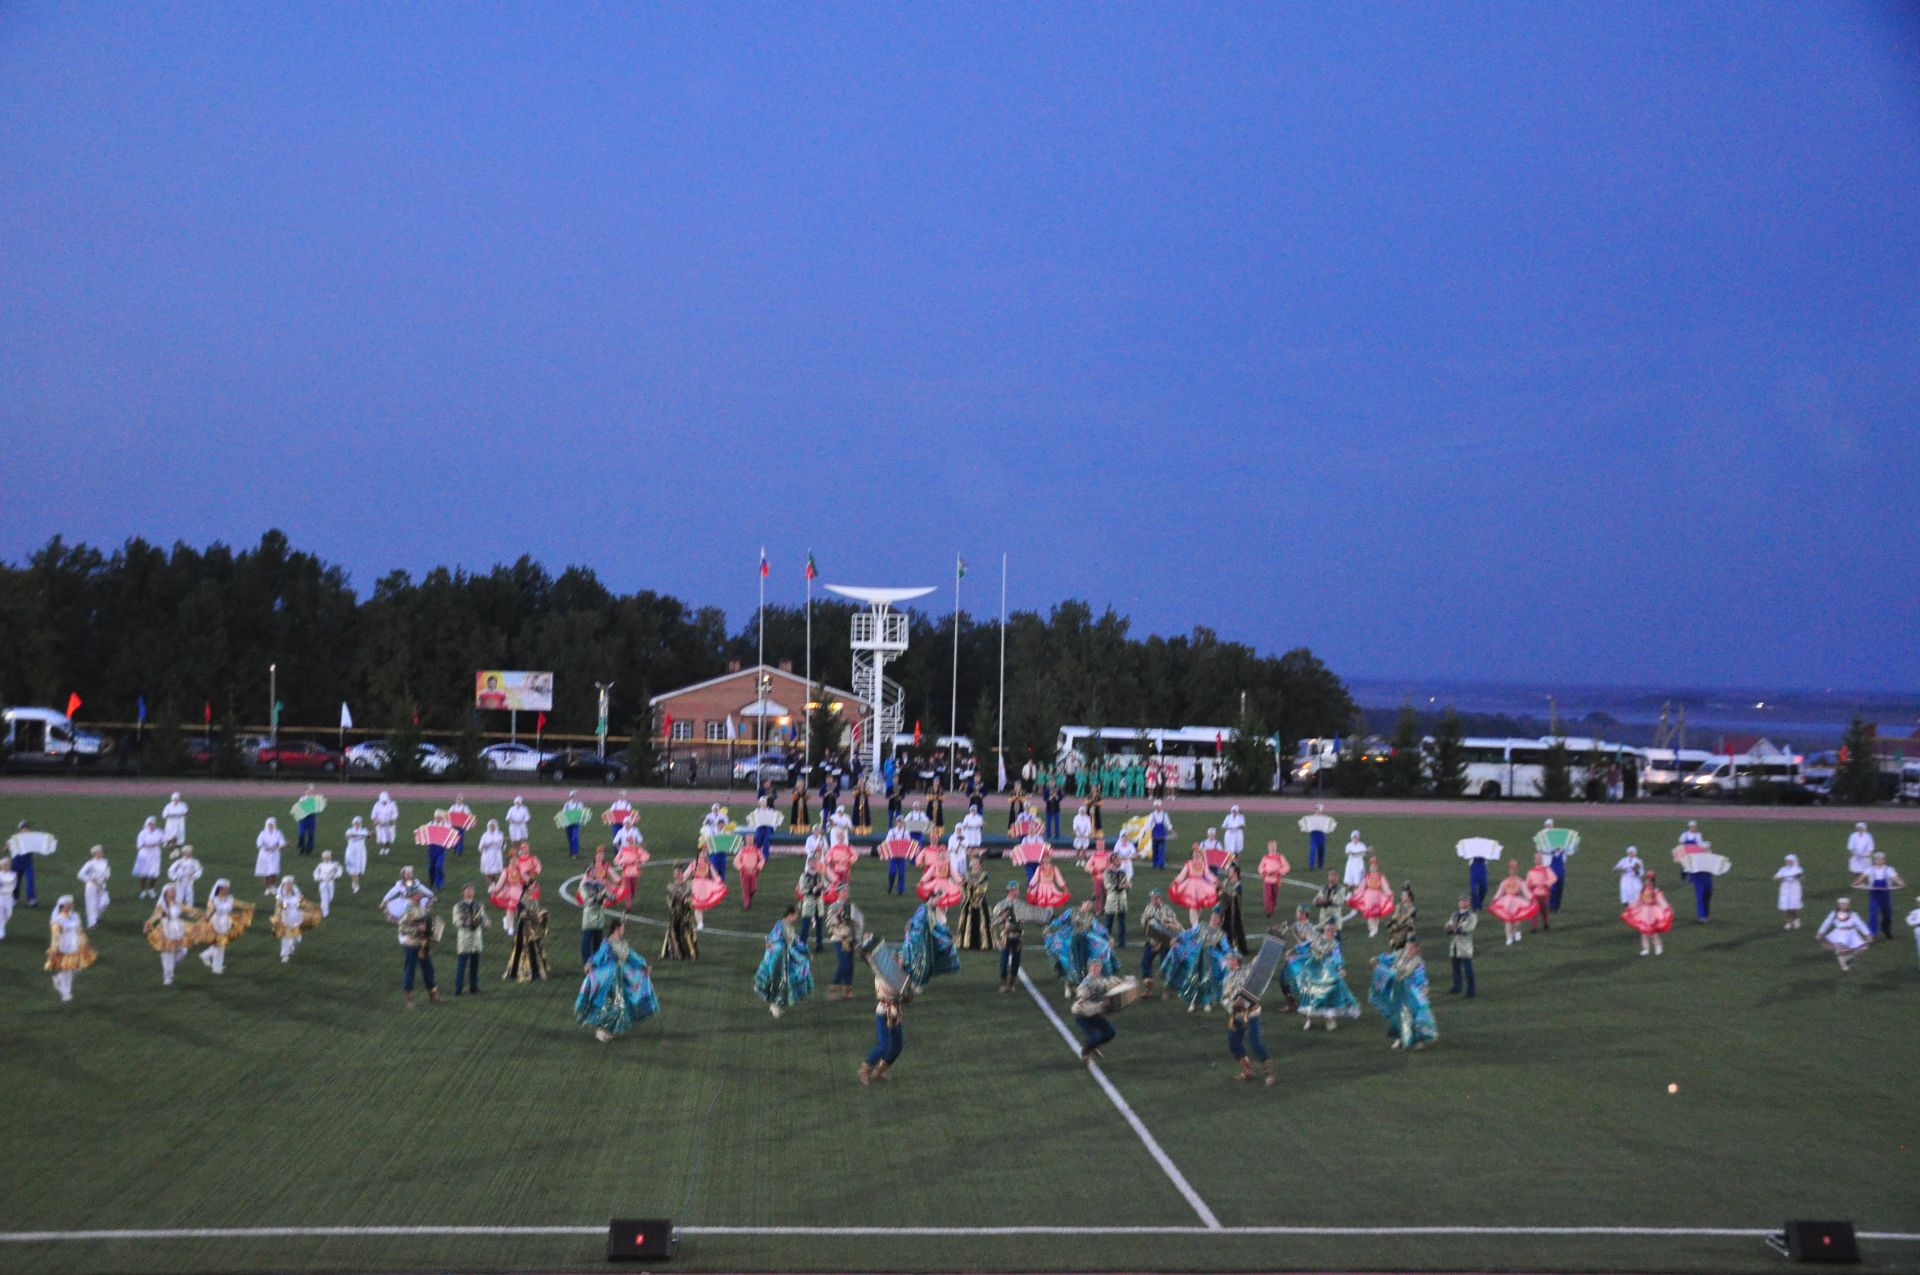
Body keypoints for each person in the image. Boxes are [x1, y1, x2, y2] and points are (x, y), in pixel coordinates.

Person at [576, 917, 658, 1042]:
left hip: (620, 977)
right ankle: (600, 1030)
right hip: (608, 978)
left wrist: (643, 966)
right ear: (617, 928)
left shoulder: (623, 944)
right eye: (622, 927)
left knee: (617, 1004)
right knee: (606, 1003)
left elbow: (631, 956)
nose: (624, 930)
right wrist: (590, 963)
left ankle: (606, 1029)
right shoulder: (607, 943)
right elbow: (599, 955)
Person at [1369, 937, 1437, 1051]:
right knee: (1396, 1014)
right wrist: (1377, 960)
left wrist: (1423, 987)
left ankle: (1417, 1040)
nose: (1410, 949)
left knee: (1413, 1015)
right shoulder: (1399, 954)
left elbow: (1421, 977)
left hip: (1410, 992)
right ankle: (1400, 1038)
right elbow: (1386, 959)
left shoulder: (1418, 963)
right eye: (1409, 946)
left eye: (1413, 947)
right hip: (1396, 990)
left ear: (1417, 949)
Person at [1292, 921, 1360, 1030]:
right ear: (1324, 929)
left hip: (1326, 969)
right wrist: (1294, 952)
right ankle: (1309, 1019)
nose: (1329, 932)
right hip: (1313, 967)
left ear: (1334, 932)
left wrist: (1340, 967)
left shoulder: (1334, 944)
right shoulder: (1317, 939)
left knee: (1329, 990)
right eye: (1327, 929)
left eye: (1331, 930)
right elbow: (1305, 946)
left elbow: (1337, 957)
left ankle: (1330, 1018)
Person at [1162, 909, 1231, 1012]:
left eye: (1217, 917)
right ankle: (1193, 1000)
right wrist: (1178, 938)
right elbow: (1190, 933)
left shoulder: (1220, 934)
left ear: (1220, 920)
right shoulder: (1202, 925)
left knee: (1207, 977)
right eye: (1213, 915)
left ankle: (1207, 1001)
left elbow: (1226, 948)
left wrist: (1230, 956)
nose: (1213, 917)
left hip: (1210, 956)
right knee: (1193, 976)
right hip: (1196, 953)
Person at [1222, 950, 1275, 1085]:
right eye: (1227, 959)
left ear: (1236, 960)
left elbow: (1259, 962)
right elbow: (1224, 997)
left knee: (1255, 1042)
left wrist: (1266, 947)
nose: (1228, 962)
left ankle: (1268, 1072)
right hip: (1236, 1015)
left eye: (1230, 959)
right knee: (1233, 1044)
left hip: (1252, 1013)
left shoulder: (1248, 970)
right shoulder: (1227, 977)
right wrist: (1232, 1006)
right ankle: (1248, 1070)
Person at [754, 906, 815, 1018]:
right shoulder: (781, 925)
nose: (797, 917)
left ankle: (775, 1004)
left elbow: (795, 942)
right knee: (779, 982)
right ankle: (774, 1005)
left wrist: (806, 952)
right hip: (778, 959)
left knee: (783, 982)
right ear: (790, 915)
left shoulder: (787, 927)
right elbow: (774, 938)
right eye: (796, 915)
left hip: (784, 958)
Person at [857, 954, 907, 1085]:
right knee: (883, 1045)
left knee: (897, 1045)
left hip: (895, 1012)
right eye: (897, 961)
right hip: (884, 1012)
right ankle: (864, 1069)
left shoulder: (894, 975)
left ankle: (879, 1071)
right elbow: (896, 992)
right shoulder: (884, 977)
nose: (900, 963)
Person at [1070, 958, 1123, 1065]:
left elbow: (1107, 982)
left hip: (1094, 1013)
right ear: (1090, 968)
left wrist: (1122, 982)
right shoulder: (1086, 983)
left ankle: (1093, 1046)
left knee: (1110, 1033)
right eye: (1094, 967)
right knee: (1096, 1035)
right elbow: (1082, 993)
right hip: (1083, 1015)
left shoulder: (1098, 979)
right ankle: (1085, 1052)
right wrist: (1099, 1003)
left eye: (1098, 967)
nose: (1097, 969)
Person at [193, 879, 251, 974]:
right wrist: (204, 920)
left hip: (226, 923)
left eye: (227, 889)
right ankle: (216, 967)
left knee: (221, 944)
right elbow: (209, 912)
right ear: (219, 890)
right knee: (220, 945)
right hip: (216, 923)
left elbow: (237, 904)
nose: (227, 891)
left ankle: (205, 955)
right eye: (225, 889)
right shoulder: (213, 900)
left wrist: (248, 906)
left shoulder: (230, 899)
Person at [397, 887, 443, 1007]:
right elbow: (402, 928)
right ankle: (409, 999)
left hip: (423, 943)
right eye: (417, 894)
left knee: (428, 969)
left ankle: (433, 994)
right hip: (411, 944)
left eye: (420, 894)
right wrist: (416, 929)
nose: (420, 895)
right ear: (412, 896)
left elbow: (426, 924)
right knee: (410, 970)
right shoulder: (408, 909)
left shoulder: (421, 908)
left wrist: (431, 933)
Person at [45, 895, 94, 1001]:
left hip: (75, 946)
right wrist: (54, 949)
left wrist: (84, 943)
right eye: (69, 904)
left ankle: (59, 979)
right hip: (64, 948)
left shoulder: (75, 916)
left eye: (71, 903)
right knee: (67, 971)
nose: (71, 905)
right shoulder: (57, 920)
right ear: (62, 906)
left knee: (77, 969)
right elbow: (55, 936)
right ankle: (66, 993)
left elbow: (79, 931)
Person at [143, 883, 193, 985]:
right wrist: (147, 925)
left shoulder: (177, 903)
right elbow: (155, 916)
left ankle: (169, 966)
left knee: (183, 951)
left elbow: (186, 910)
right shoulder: (161, 905)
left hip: (178, 929)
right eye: (171, 891)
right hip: (166, 930)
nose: (174, 893)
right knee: (168, 954)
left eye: (174, 891)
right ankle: (168, 978)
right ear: (166, 893)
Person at [1852, 851, 1906, 940]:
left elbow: (1896, 878)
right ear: (1875, 861)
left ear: (1884, 861)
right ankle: (1872, 933)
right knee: (1873, 913)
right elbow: (1861, 878)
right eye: (1877, 859)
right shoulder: (1870, 869)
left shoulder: (1889, 869)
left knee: (1887, 914)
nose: (1879, 861)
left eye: (1881, 859)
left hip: (1885, 894)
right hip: (1874, 894)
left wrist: (1901, 883)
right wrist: (1855, 883)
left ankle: (1886, 930)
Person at [1487, 861, 1539, 946]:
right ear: (1509, 871)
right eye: (1511, 870)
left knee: (1517, 920)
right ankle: (1509, 937)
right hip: (1506, 901)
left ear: (1516, 871)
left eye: (1514, 870)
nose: (1512, 871)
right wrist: (1495, 899)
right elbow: (1500, 892)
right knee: (1508, 920)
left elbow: (1525, 891)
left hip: (1517, 901)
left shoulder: (1520, 881)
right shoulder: (1504, 881)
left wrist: (1531, 898)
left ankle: (1517, 931)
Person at [1621, 873, 1674, 957]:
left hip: (1653, 911)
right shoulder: (1643, 890)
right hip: (1644, 911)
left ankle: (1658, 947)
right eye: (1646, 880)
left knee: (1653, 932)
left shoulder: (1655, 891)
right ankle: (1646, 949)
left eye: (1649, 881)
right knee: (1643, 932)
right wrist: (1631, 907)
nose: (1647, 882)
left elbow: (1661, 901)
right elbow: (1638, 901)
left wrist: (1666, 908)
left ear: (1652, 882)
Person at [1816, 897, 1873, 972]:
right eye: (1841, 904)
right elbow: (1826, 923)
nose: (1843, 906)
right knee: (1839, 950)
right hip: (1839, 934)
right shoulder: (1834, 914)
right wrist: (1820, 932)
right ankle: (1844, 967)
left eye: (1845, 904)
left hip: (1851, 934)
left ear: (1848, 905)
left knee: (1860, 948)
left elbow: (1860, 924)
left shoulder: (1853, 915)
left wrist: (1868, 934)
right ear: (1838, 905)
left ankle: (1848, 958)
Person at [504, 889, 551, 981]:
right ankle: (514, 973)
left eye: (531, 891)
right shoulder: (520, 903)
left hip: (533, 929)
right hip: (523, 929)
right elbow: (521, 915)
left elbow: (536, 913)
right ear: (524, 892)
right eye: (528, 891)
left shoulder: (534, 901)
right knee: (519, 950)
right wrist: (536, 916)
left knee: (534, 950)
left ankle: (535, 972)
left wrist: (542, 916)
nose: (531, 892)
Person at [1138, 889, 1179, 993]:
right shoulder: (1148, 908)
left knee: (1164, 965)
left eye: (1156, 898)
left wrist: (1167, 925)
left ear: (1160, 898)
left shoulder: (1167, 909)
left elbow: (1175, 924)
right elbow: (1143, 921)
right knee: (1145, 962)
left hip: (1164, 943)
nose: (1154, 900)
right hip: (1152, 941)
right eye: (1152, 898)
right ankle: (1148, 987)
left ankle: (1167, 988)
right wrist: (1146, 922)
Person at [1169, 846, 1219, 927]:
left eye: (1197, 853)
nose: (1196, 855)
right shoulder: (1189, 863)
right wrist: (1176, 881)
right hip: (1190, 886)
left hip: (1200, 886)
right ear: (1192, 855)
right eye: (1194, 853)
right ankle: (1194, 924)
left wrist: (1214, 880)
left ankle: (1196, 921)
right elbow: (1182, 874)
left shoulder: (1203, 864)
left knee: (1198, 905)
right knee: (1192, 905)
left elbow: (1208, 874)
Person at [272, 876, 319, 963]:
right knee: (286, 937)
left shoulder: (297, 895)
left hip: (297, 918)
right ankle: (285, 954)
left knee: (297, 938)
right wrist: (276, 918)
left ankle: (293, 944)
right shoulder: (281, 897)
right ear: (284, 885)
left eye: (290, 884)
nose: (288, 886)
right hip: (285, 919)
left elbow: (303, 905)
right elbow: (278, 908)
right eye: (286, 884)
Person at [826, 887, 861, 999]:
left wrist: (857, 937)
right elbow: (830, 923)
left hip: (849, 939)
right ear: (839, 893)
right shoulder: (834, 906)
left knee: (850, 964)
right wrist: (839, 915)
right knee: (844, 963)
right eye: (844, 891)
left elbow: (855, 924)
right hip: (839, 939)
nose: (847, 893)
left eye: (847, 891)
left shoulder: (851, 906)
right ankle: (833, 986)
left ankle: (848, 989)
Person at [1349, 857, 1396, 939]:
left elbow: (1385, 885)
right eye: (1372, 866)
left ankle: (1375, 927)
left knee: (1376, 914)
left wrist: (1389, 893)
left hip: (1377, 897)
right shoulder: (1367, 876)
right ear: (1370, 868)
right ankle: (1372, 929)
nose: (1373, 868)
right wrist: (1356, 892)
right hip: (1368, 897)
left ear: (1377, 867)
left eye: (1375, 866)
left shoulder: (1380, 876)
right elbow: (1362, 886)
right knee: (1370, 915)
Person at [991, 879, 1026, 992]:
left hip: (1017, 936)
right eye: (1016, 889)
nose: (1018, 891)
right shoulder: (1001, 905)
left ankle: (1011, 983)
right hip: (1005, 936)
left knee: (1016, 961)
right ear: (1011, 891)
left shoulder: (1021, 904)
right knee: (1003, 960)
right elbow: (993, 922)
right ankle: (1004, 982)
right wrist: (1003, 918)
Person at [452, 883, 487, 994]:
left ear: (474, 892)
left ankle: (474, 987)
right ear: (463, 892)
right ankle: (458, 989)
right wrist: (466, 923)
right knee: (461, 966)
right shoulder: (458, 906)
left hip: (476, 939)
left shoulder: (479, 905)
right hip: (464, 939)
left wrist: (486, 923)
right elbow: (456, 921)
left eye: (471, 890)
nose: (469, 892)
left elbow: (483, 918)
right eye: (467, 890)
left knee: (475, 966)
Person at [955, 853, 994, 949]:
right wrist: (963, 890)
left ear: (980, 864)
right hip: (968, 901)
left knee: (981, 921)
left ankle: (983, 943)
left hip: (980, 901)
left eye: (976, 862)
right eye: (972, 862)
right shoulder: (967, 874)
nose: (973, 864)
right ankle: (966, 943)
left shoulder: (984, 875)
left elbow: (982, 888)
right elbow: (962, 887)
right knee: (967, 921)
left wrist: (971, 884)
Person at [660, 870, 698, 960]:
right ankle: (676, 953)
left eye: (679, 873)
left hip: (685, 912)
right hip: (675, 912)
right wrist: (674, 904)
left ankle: (690, 953)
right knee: (673, 932)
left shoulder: (688, 884)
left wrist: (687, 901)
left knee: (687, 933)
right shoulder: (670, 886)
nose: (677, 875)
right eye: (675, 873)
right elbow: (670, 898)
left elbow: (692, 897)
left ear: (682, 874)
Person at [1444, 895, 1476, 996]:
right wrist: (1449, 928)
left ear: (1469, 903)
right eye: (1461, 901)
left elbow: (1469, 929)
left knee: (1468, 970)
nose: (1463, 903)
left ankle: (1471, 990)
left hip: (1465, 946)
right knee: (1455, 969)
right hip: (1454, 946)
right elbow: (1447, 925)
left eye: (1465, 901)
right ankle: (1457, 986)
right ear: (1459, 903)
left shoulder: (1472, 916)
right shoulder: (1454, 914)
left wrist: (1456, 929)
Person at [1218, 862, 1249, 955]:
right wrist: (1218, 887)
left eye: (1230, 871)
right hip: (1226, 909)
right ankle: (1226, 946)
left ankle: (1241, 948)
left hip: (1234, 910)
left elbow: (1232, 894)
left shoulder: (1238, 884)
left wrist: (1222, 890)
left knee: (1236, 928)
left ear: (1235, 873)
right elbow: (1220, 893)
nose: (1228, 872)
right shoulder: (1226, 881)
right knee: (1225, 927)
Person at [77, 845, 111, 928]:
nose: (100, 854)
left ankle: (98, 916)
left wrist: (104, 878)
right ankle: (92, 922)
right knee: (92, 904)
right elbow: (80, 874)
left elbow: (107, 872)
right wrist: (90, 879)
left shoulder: (105, 862)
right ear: (94, 854)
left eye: (101, 852)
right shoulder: (90, 863)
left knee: (104, 902)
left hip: (101, 885)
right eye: (98, 852)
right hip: (91, 886)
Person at [1103, 855, 1131, 947]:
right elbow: (1108, 885)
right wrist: (1121, 886)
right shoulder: (1107, 873)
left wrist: (1128, 886)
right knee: (1108, 923)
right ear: (1112, 862)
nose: (1120, 861)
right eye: (1117, 860)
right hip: (1112, 900)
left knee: (1122, 923)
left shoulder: (1122, 872)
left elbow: (1126, 884)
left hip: (1122, 900)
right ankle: (1105, 942)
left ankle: (1122, 943)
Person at [578, 876, 608, 964]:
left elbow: (604, 899)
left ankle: (596, 961)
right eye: (591, 871)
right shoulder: (584, 887)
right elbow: (587, 901)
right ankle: (587, 962)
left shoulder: (600, 885)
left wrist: (607, 895)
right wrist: (597, 897)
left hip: (599, 918)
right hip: (589, 918)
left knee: (598, 942)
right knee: (586, 942)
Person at [134, 816, 165, 899]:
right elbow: (140, 844)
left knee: (154, 873)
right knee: (143, 873)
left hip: (155, 854)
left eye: (153, 824)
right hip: (144, 854)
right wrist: (150, 845)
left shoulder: (159, 832)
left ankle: (151, 889)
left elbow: (164, 840)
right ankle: (143, 890)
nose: (151, 826)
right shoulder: (142, 833)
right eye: (150, 824)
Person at [1524, 854, 1555, 933]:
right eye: (1537, 858)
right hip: (1535, 894)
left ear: (1542, 860)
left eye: (1539, 858)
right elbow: (1527, 883)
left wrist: (1546, 884)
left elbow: (1553, 878)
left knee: (1544, 910)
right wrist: (1530, 889)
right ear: (1534, 860)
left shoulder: (1546, 869)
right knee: (1534, 912)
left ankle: (1545, 923)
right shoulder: (1531, 872)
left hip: (1544, 894)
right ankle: (1534, 927)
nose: (1538, 860)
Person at [254, 817, 286, 895]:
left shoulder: (278, 833)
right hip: (264, 855)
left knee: (273, 871)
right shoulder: (263, 833)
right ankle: (268, 887)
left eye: (272, 825)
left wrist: (281, 846)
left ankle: (272, 886)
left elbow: (282, 842)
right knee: (265, 872)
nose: (270, 826)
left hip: (274, 854)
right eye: (269, 825)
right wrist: (265, 847)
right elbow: (259, 842)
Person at [1258, 841, 1289, 917]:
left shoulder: (1280, 856)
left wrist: (1278, 872)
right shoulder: (1265, 857)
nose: (1272, 848)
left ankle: (1272, 908)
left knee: (1274, 896)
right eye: (1271, 846)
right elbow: (1260, 868)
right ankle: (1269, 911)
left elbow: (1286, 867)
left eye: (1273, 846)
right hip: (1267, 880)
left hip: (1276, 880)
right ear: (1268, 848)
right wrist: (1264, 872)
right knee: (1268, 896)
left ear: (1276, 847)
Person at [1774, 854, 1805, 930]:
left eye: (1789, 861)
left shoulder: (1798, 869)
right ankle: (1788, 922)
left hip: (1794, 890)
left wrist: (1789, 876)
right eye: (1787, 861)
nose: (1788, 862)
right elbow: (1776, 876)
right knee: (1785, 907)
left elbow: (1799, 876)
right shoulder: (1783, 869)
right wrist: (1782, 876)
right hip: (1785, 890)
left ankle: (1796, 920)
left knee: (1793, 906)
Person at [167, 845, 204, 909]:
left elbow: (199, 870)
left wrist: (193, 876)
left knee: (189, 895)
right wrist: (175, 877)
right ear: (183, 853)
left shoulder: (194, 862)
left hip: (189, 880)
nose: (188, 854)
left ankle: (189, 909)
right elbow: (171, 870)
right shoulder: (179, 862)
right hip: (179, 881)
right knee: (179, 895)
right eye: (186, 852)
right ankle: (177, 909)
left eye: (189, 852)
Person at [1300, 804, 1334, 872]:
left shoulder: (1325, 818)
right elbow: (1305, 823)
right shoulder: (1311, 818)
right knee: (1312, 850)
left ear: (1322, 811)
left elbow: (1330, 824)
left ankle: (1320, 865)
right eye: (1316, 809)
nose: (1317, 811)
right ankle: (1311, 866)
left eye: (1319, 809)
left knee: (1321, 851)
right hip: (1314, 835)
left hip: (1321, 836)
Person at [1385, 883, 1418, 951]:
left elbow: (1405, 918)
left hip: (1406, 929)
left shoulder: (1412, 908)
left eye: (1404, 895)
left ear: (1409, 898)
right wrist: (1391, 921)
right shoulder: (1399, 906)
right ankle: (1395, 948)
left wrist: (1397, 924)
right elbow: (1395, 916)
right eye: (1402, 895)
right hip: (1398, 929)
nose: (1402, 896)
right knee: (1393, 934)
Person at [1614, 846, 1645, 910]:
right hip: (1625, 881)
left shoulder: (1638, 861)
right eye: (1629, 852)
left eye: (1632, 852)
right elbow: (1615, 869)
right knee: (1625, 896)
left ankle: (1636, 910)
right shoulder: (1623, 860)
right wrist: (1620, 870)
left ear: (1635, 853)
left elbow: (1641, 873)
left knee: (1636, 896)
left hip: (1635, 881)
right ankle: (1628, 911)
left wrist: (1636, 870)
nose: (1630, 854)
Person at [312, 850, 343, 917]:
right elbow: (315, 872)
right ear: (322, 858)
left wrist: (335, 876)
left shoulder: (334, 864)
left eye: (328, 857)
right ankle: (324, 912)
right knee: (324, 897)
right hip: (322, 883)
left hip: (330, 883)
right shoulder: (320, 865)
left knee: (330, 897)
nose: (326, 859)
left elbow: (340, 870)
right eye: (325, 857)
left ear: (330, 857)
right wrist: (318, 878)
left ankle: (324, 905)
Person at [343, 816, 369, 894]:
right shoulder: (349, 830)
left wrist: (367, 835)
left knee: (360, 870)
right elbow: (349, 835)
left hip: (361, 852)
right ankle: (356, 885)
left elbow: (369, 836)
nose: (357, 824)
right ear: (353, 823)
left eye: (358, 823)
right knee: (353, 868)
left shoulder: (364, 830)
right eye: (355, 823)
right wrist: (362, 836)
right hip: (351, 851)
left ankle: (355, 879)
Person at [294, 784, 322, 856]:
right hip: (302, 818)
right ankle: (302, 847)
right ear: (305, 791)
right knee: (302, 833)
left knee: (310, 834)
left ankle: (309, 848)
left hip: (311, 818)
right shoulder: (302, 798)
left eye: (311, 791)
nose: (309, 792)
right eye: (308, 790)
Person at [559, 791, 588, 858]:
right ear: (570, 797)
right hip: (568, 823)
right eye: (572, 796)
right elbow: (563, 813)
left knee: (574, 837)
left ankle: (575, 852)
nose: (573, 797)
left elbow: (582, 812)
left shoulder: (579, 804)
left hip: (575, 823)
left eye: (574, 796)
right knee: (569, 837)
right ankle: (571, 851)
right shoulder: (566, 804)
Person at [1147, 801, 1174, 870]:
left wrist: (1173, 832)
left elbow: (1168, 825)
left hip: (1162, 835)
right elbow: (1147, 826)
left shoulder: (1164, 815)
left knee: (1162, 849)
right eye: (1157, 806)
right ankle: (1155, 863)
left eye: (1160, 806)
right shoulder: (1152, 815)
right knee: (1155, 850)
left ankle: (1161, 864)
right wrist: (1144, 834)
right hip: (1155, 836)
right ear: (1155, 807)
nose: (1159, 807)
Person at [371, 790, 399, 856]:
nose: (383, 802)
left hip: (388, 824)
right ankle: (382, 848)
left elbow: (395, 813)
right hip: (379, 824)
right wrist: (375, 821)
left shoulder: (392, 804)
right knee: (380, 837)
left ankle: (387, 848)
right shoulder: (377, 805)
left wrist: (392, 820)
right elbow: (373, 815)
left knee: (389, 837)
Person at [447, 793, 474, 858]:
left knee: (459, 838)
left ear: (462, 800)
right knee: (454, 837)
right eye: (457, 799)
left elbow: (469, 815)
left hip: (461, 825)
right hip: (453, 825)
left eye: (460, 799)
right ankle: (456, 849)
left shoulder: (465, 807)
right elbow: (449, 814)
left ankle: (459, 851)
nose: (458, 801)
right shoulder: (453, 807)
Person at [1467, 847, 1490, 912]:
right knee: (1474, 891)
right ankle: (1475, 906)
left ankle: (1479, 904)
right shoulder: (1472, 858)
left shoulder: (1485, 857)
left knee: (1484, 890)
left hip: (1482, 876)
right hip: (1474, 877)